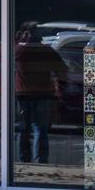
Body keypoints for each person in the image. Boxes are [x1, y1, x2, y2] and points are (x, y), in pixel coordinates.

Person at [14, 26, 66, 165]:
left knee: (23, 130)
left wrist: (19, 41)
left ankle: (24, 160)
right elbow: (62, 69)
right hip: (43, 94)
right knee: (41, 130)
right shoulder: (47, 51)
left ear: (26, 35)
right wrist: (60, 87)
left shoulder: (18, 51)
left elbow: (3, 58)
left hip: (22, 94)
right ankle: (40, 161)